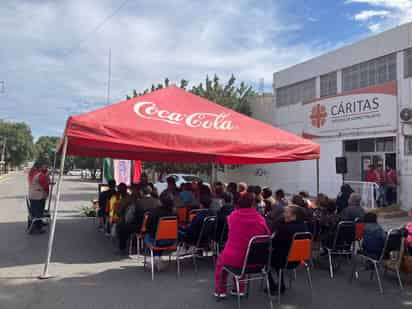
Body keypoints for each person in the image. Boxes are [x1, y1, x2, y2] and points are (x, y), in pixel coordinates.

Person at [214, 192, 271, 298]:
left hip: (236, 258)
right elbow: (267, 235)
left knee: (222, 263)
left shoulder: (233, 216)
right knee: (244, 254)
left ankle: (220, 290)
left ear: (238, 204)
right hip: (258, 260)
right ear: (253, 205)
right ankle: (240, 288)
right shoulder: (260, 219)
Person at [268, 205, 308, 294]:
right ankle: (280, 284)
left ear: (294, 216)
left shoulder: (283, 228)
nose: (283, 214)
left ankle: (272, 285)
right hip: (298, 259)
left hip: (284, 260)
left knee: (263, 259)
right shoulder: (304, 227)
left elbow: (273, 243)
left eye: (286, 212)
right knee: (280, 253)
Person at [116, 184, 147, 254]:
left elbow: (128, 218)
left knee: (122, 227)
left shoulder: (134, 204)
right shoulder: (155, 201)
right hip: (151, 227)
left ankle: (122, 248)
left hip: (139, 227)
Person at [144, 192, 176, 256]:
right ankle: (157, 257)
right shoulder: (175, 213)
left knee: (148, 236)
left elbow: (147, 227)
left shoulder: (154, 212)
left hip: (156, 242)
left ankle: (157, 258)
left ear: (160, 201)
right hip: (172, 242)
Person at [28, 164, 50, 233]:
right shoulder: (41, 175)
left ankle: (36, 225)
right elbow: (45, 186)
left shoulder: (34, 174)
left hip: (33, 196)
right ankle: (37, 227)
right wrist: (47, 177)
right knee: (39, 212)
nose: (46, 168)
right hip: (38, 197)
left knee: (35, 212)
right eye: (45, 167)